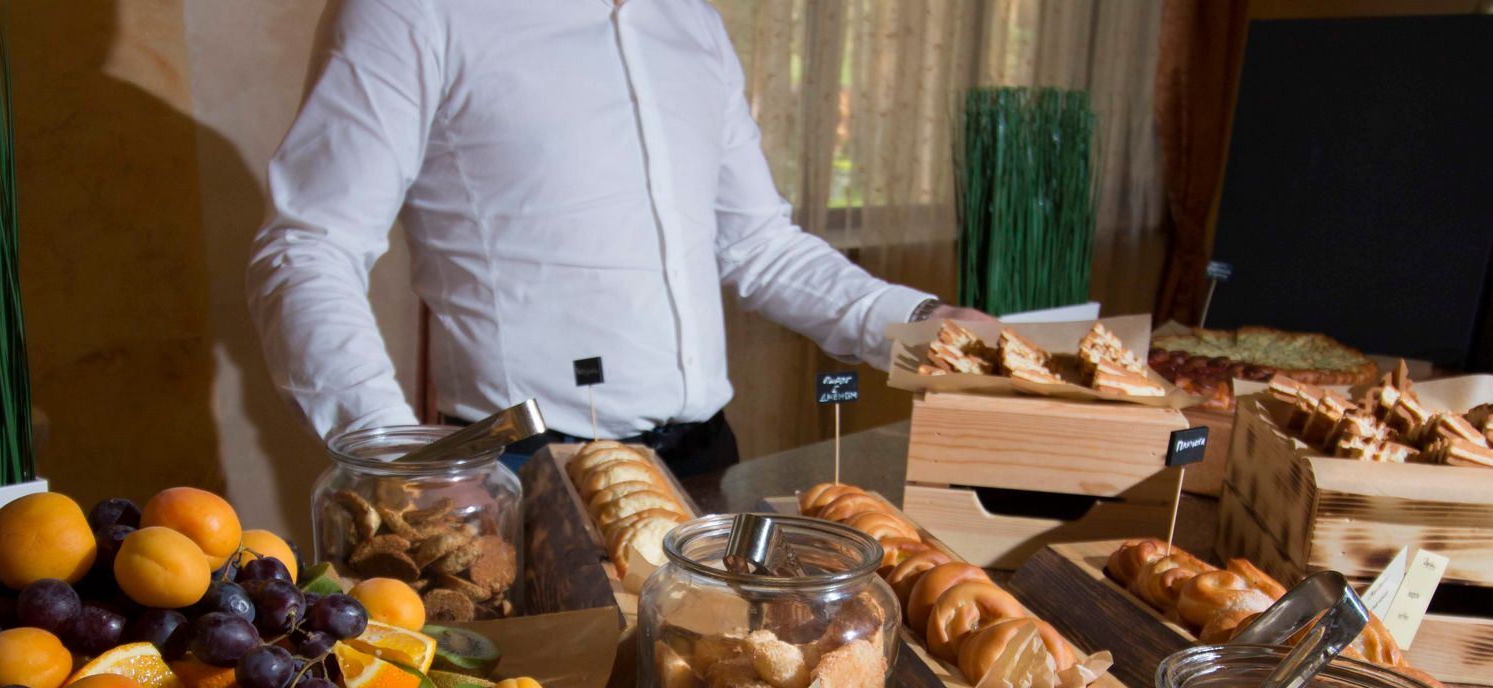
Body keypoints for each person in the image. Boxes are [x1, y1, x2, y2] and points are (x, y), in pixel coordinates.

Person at [248, 0, 991, 478]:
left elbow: (759, 245)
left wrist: (921, 325)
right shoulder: (411, 11)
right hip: (528, 471)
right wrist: (397, 462)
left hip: (707, 461)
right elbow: (308, 249)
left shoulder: (690, 20)